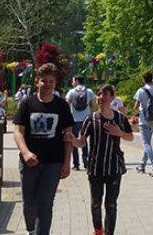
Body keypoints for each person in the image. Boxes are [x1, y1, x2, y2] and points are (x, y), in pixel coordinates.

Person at [13, 63, 74, 235]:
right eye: (44, 81)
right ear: (37, 82)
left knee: (45, 204)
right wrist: (25, 153)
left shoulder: (61, 105)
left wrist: (67, 163)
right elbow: (18, 131)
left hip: (53, 161)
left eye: (51, 81)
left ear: (55, 83)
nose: (47, 84)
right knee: (29, 204)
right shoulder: (27, 103)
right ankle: (31, 230)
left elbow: (68, 135)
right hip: (30, 161)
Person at [70, 84, 133, 235]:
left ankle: (109, 232)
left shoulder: (120, 118)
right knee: (96, 202)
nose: (100, 97)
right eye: (99, 94)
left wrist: (119, 133)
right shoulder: (90, 119)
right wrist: (71, 139)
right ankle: (98, 230)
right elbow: (81, 142)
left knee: (111, 204)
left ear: (112, 97)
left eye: (104, 94)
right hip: (96, 167)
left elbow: (130, 137)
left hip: (113, 167)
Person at [133, 71, 153, 176]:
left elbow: (136, 107)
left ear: (143, 79)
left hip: (144, 120)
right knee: (148, 144)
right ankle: (142, 166)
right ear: (152, 78)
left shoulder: (141, 91)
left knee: (146, 144)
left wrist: (141, 112)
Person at [66, 75, 95, 170]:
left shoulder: (71, 91)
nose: (72, 83)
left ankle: (76, 164)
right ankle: (86, 159)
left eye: (73, 81)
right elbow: (93, 104)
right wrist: (92, 115)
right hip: (86, 119)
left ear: (77, 81)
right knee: (84, 139)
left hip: (74, 119)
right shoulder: (89, 91)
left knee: (74, 140)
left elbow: (66, 103)